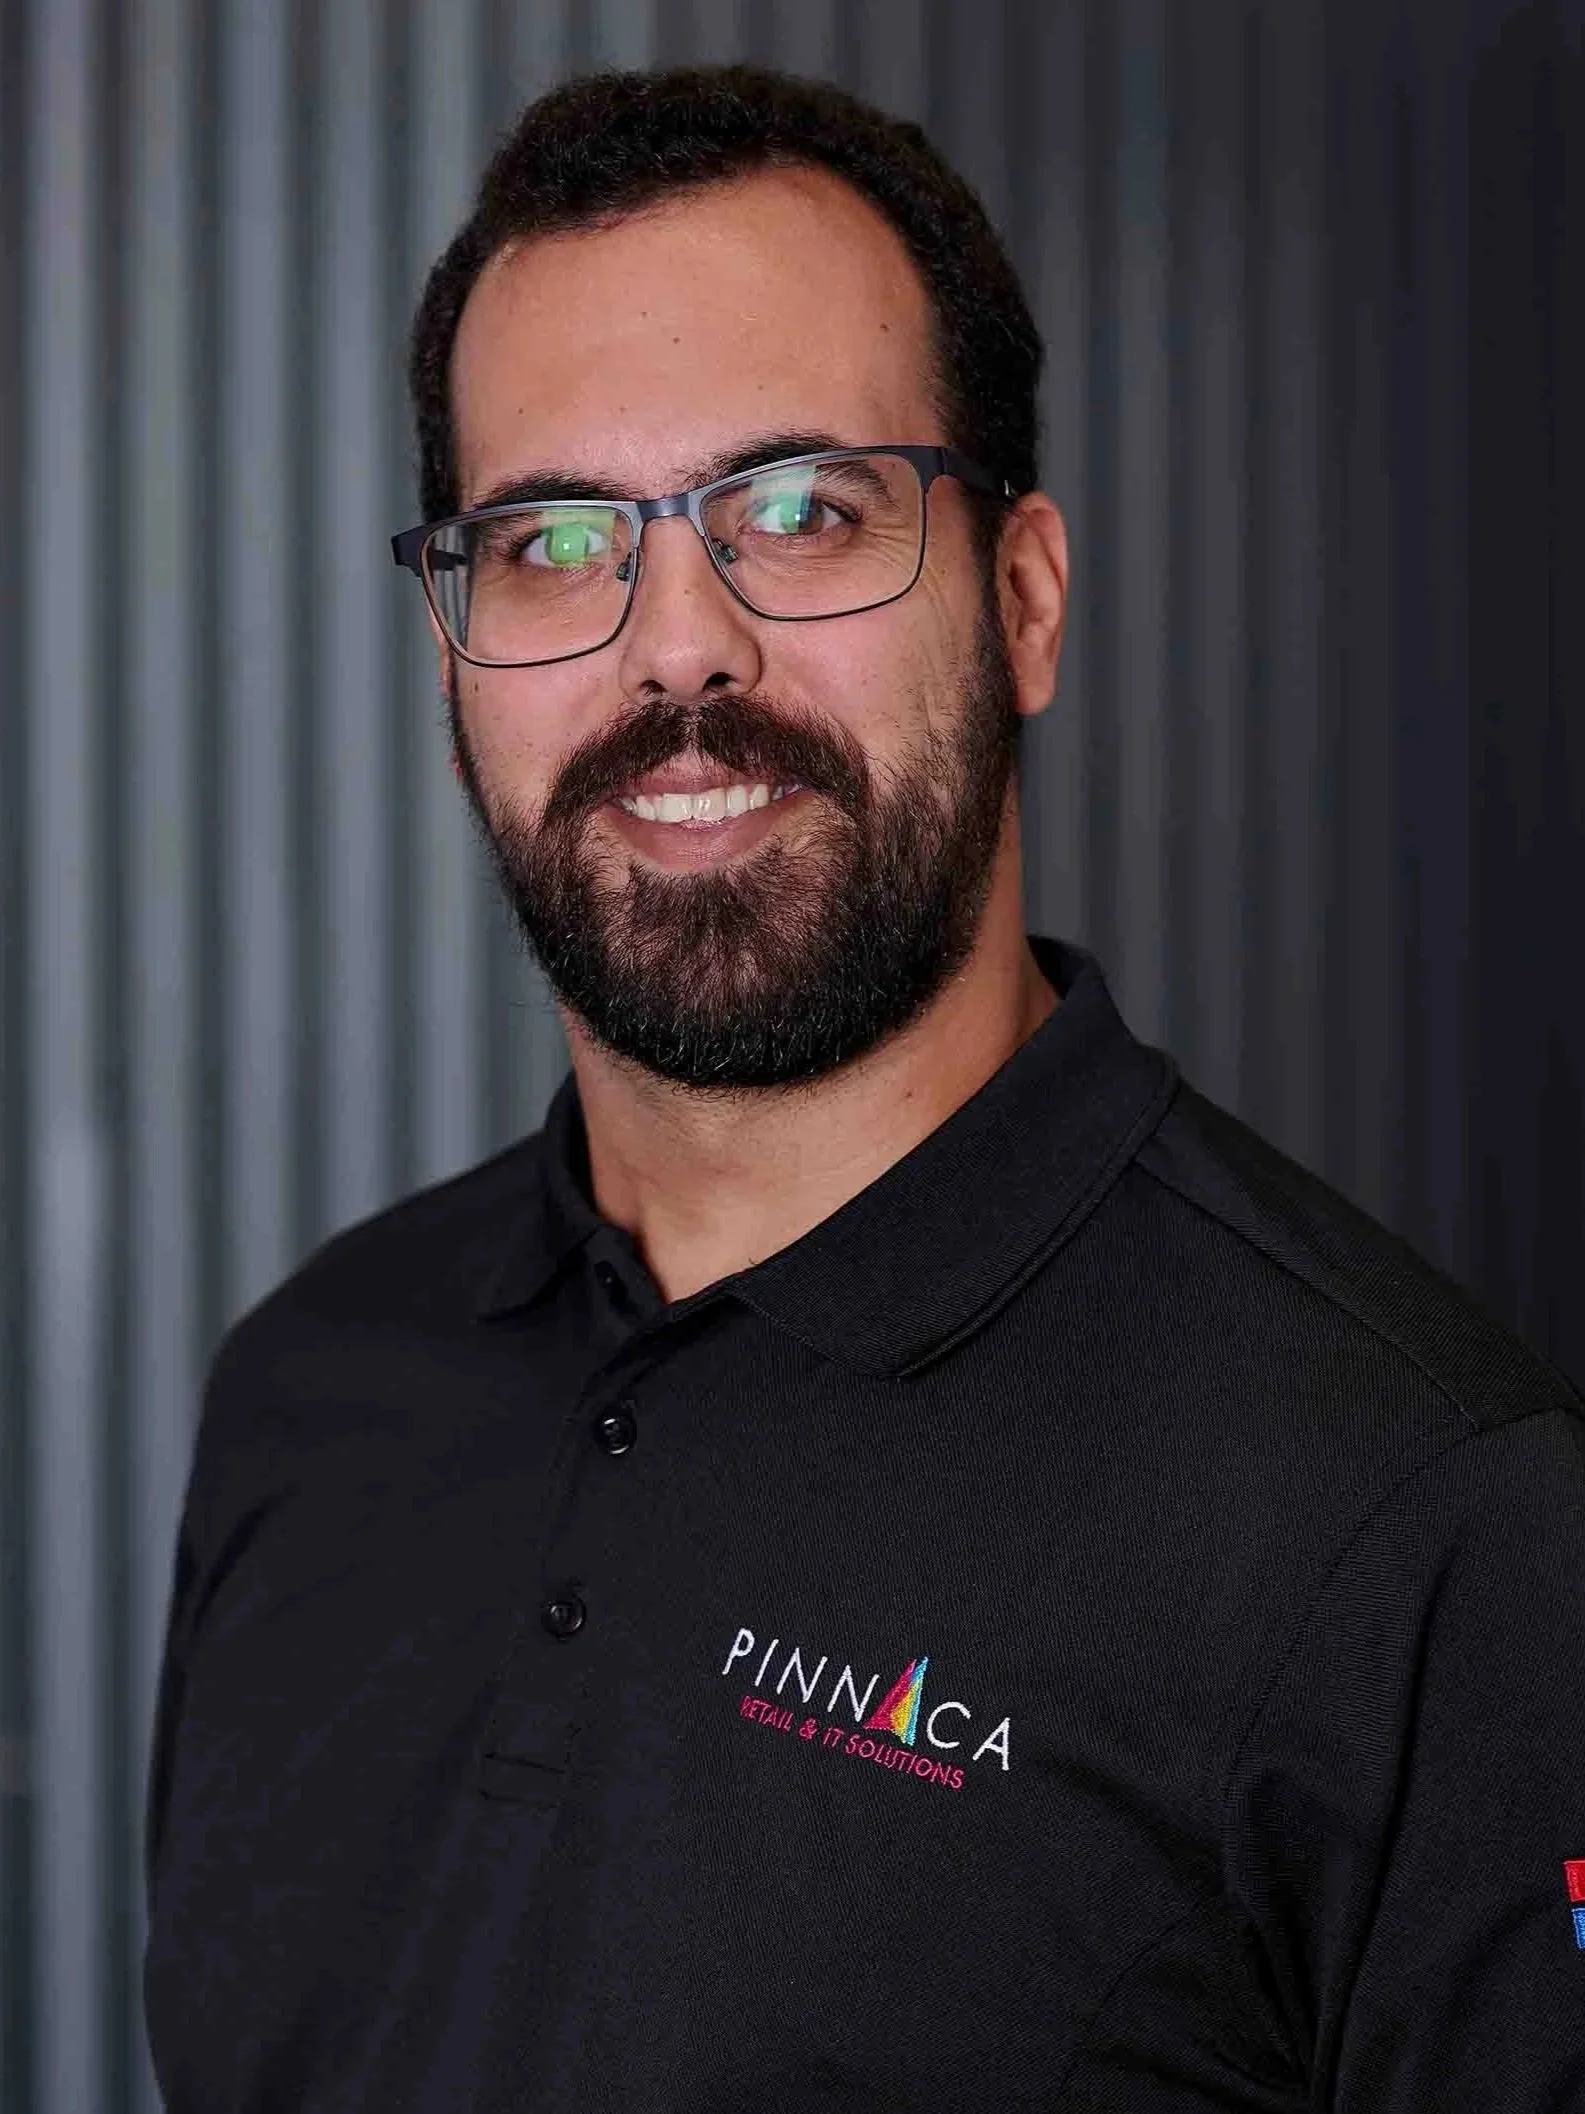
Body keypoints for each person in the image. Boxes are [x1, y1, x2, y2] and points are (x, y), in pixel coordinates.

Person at [144, 64, 1585, 2114]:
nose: (680, 654)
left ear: (1024, 601)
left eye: (803, 510)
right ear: (456, 652)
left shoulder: (1423, 1522)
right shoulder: (311, 1388)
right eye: (554, 542)